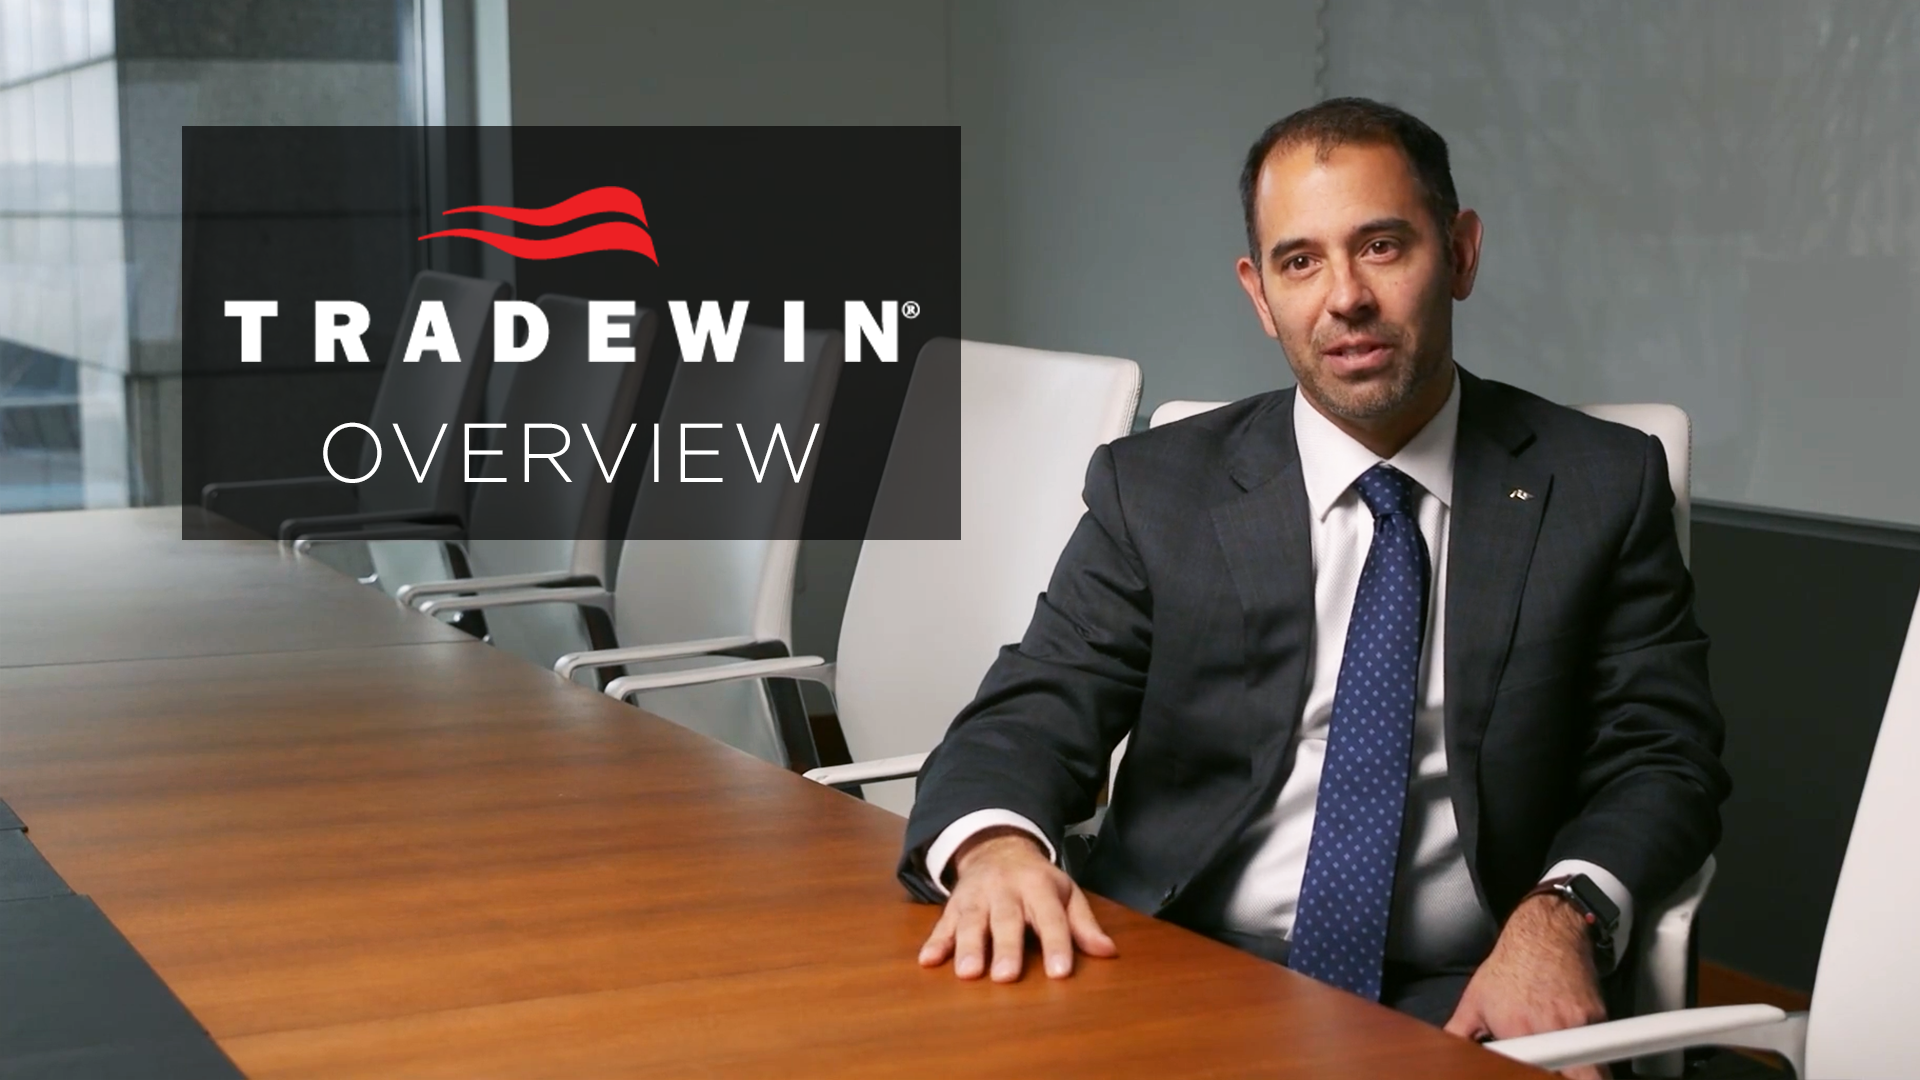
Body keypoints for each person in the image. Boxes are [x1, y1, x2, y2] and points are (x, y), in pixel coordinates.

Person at [897, 97, 1729, 1076]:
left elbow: (1662, 756)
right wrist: (998, 847)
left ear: (1460, 254)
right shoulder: (1159, 489)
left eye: (1381, 246)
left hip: (1464, 992)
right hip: (1174, 961)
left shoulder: (1598, 483)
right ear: (1259, 294)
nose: (1345, 298)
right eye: (1300, 261)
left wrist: (1563, 915)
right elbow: (1033, 711)